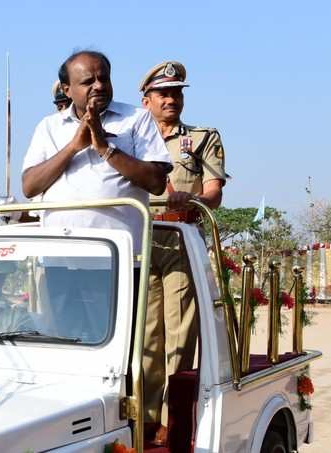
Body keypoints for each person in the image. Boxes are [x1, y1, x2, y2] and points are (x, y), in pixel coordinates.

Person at [139, 61, 228, 445]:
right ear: (146, 102)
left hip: (179, 239)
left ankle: (169, 421)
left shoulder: (202, 137)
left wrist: (191, 198)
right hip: (141, 240)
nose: (171, 99)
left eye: (177, 93)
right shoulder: (133, 139)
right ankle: (142, 417)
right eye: (163, 94)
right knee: (145, 336)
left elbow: (214, 193)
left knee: (178, 335)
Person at [22, 50, 172, 258]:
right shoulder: (49, 126)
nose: (99, 86)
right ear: (67, 90)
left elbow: (157, 183)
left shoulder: (137, 119)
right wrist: (74, 146)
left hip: (120, 256)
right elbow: (29, 187)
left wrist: (104, 148)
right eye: (88, 82)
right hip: (61, 254)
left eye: (104, 79)